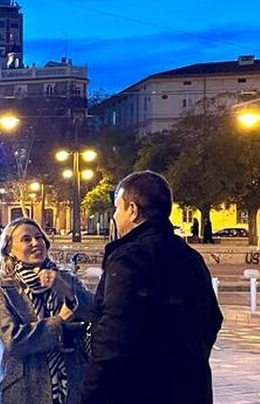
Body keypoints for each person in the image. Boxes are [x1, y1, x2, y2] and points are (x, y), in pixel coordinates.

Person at [82, 171, 223, 404]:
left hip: (138, 390)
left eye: (117, 208)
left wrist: (92, 394)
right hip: (190, 388)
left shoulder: (129, 258)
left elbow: (113, 336)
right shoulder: (190, 257)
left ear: (133, 210)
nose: (115, 216)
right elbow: (212, 319)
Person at [0, 217, 94, 404]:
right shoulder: (2, 289)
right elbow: (13, 340)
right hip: (26, 388)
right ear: (9, 249)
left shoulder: (66, 278)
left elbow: (95, 313)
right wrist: (58, 322)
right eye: (26, 239)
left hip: (72, 383)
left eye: (39, 237)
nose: (36, 243)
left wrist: (68, 292)